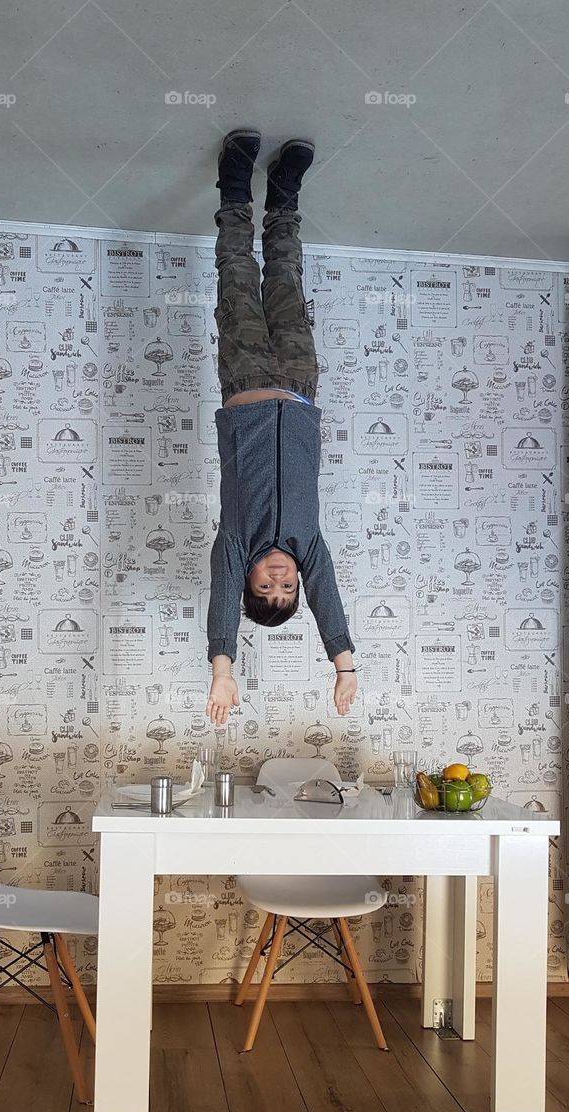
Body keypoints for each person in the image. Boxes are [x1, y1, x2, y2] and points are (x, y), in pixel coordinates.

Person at [206, 129, 357, 727]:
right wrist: (344, 667)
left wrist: (223, 668)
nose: (279, 583)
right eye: (287, 593)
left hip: (244, 382)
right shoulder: (307, 546)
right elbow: (330, 601)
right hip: (300, 388)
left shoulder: (235, 543)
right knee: (288, 281)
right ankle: (286, 197)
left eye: (264, 591)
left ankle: (235, 181)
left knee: (238, 275)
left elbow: (222, 605)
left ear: (244, 577)